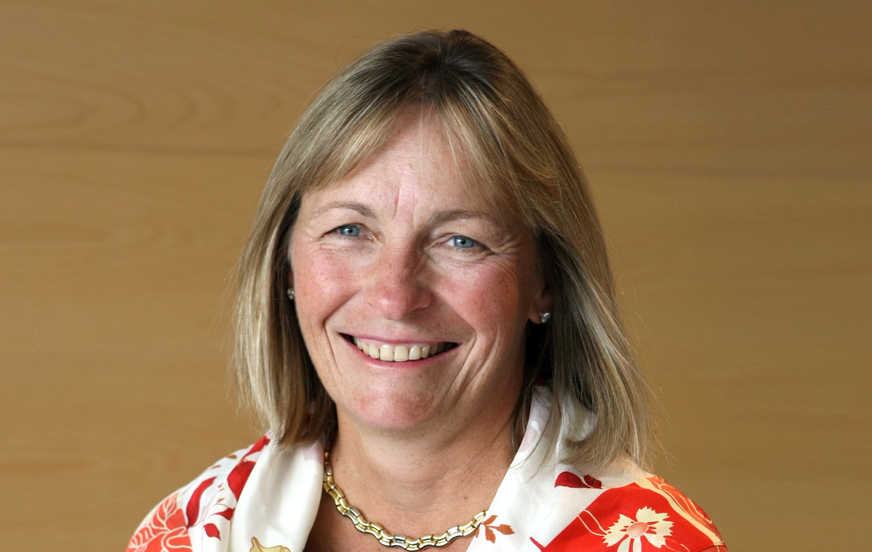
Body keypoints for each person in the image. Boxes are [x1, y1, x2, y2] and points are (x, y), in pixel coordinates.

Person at [126, 30, 727, 552]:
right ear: (285, 266)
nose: (395, 296)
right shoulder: (196, 531)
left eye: (460, 241)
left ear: (545, 279)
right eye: (350, 230)